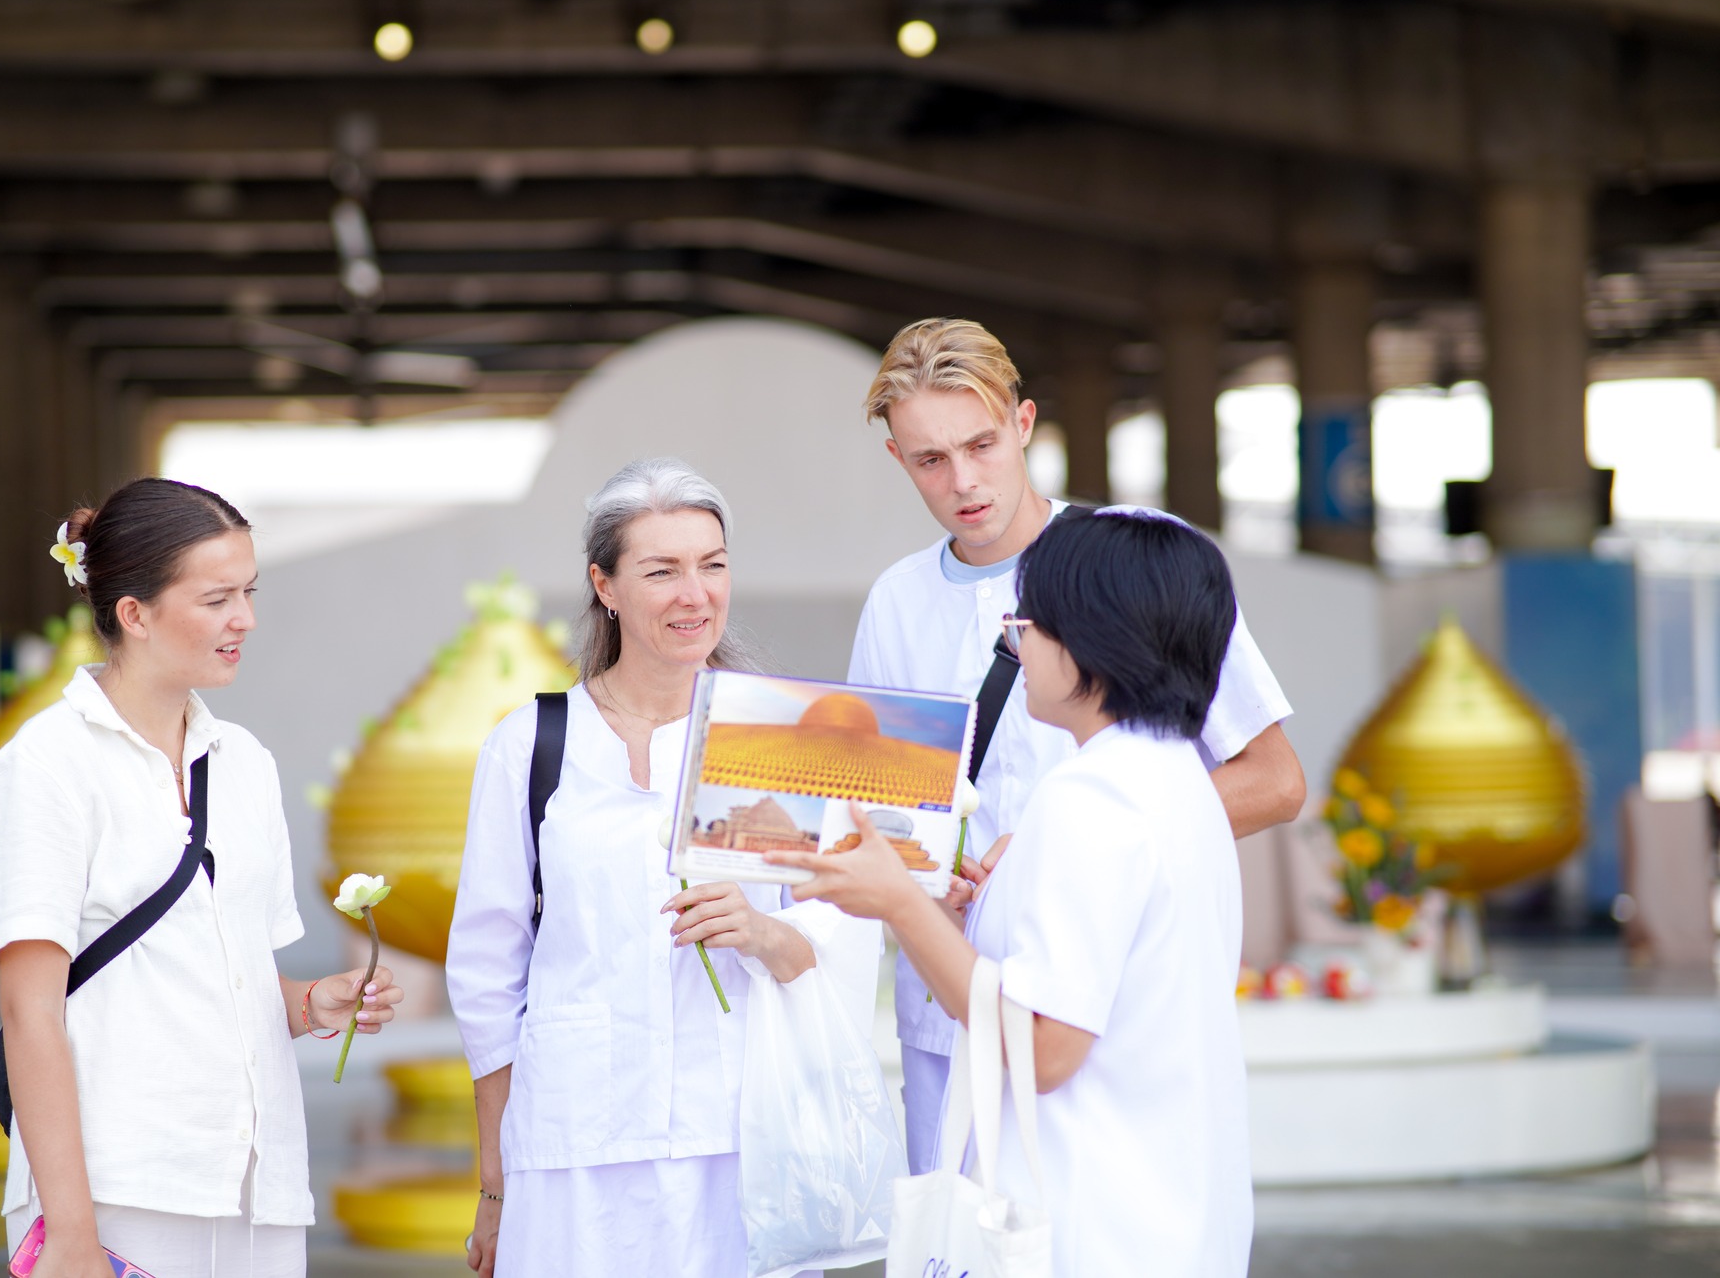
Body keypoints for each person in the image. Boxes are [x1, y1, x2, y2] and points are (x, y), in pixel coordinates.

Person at [849, 317, 1303, 1171]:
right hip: (946, 1010)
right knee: (954, 1231)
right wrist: (929, 872)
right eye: (930, 459)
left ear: (1024, 423)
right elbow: (887, 813)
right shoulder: (896, 602)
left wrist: (1065, 846)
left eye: (981, 444)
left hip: (1111, 1012)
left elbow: (1275, 780)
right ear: (897, 458)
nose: (963, 481)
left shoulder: (1132, 564)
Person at [791, 508, 1254, 1278]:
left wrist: (901, 902)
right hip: (1167, 1216)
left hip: (1088, 1226)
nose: (1017, 644)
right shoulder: (1174, 777)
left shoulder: (1090, 795)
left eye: (1028, 622)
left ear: (1095, 641)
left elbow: (1043, 1049)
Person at [0, 477, 406, 1278]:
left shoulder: (245, 764)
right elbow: (29, 1011)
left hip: (257, 1187)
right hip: (119, 1192)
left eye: (249, 591)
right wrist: (72, 1233)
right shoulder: (45, 766)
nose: (245, 618)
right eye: (216, 598)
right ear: (134, 614)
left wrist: (314, 1003)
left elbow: (233, 979)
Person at [447, 458, 820, 1278]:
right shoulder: (532, 742)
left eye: (712, 565)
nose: (696, 594)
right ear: (604, 584)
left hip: (741, 1140)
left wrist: (760, 931)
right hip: (575, 1151)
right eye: (662, 570)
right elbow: (486, 976)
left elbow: (835, 941)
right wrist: (495, 1183)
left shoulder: (775, 738)